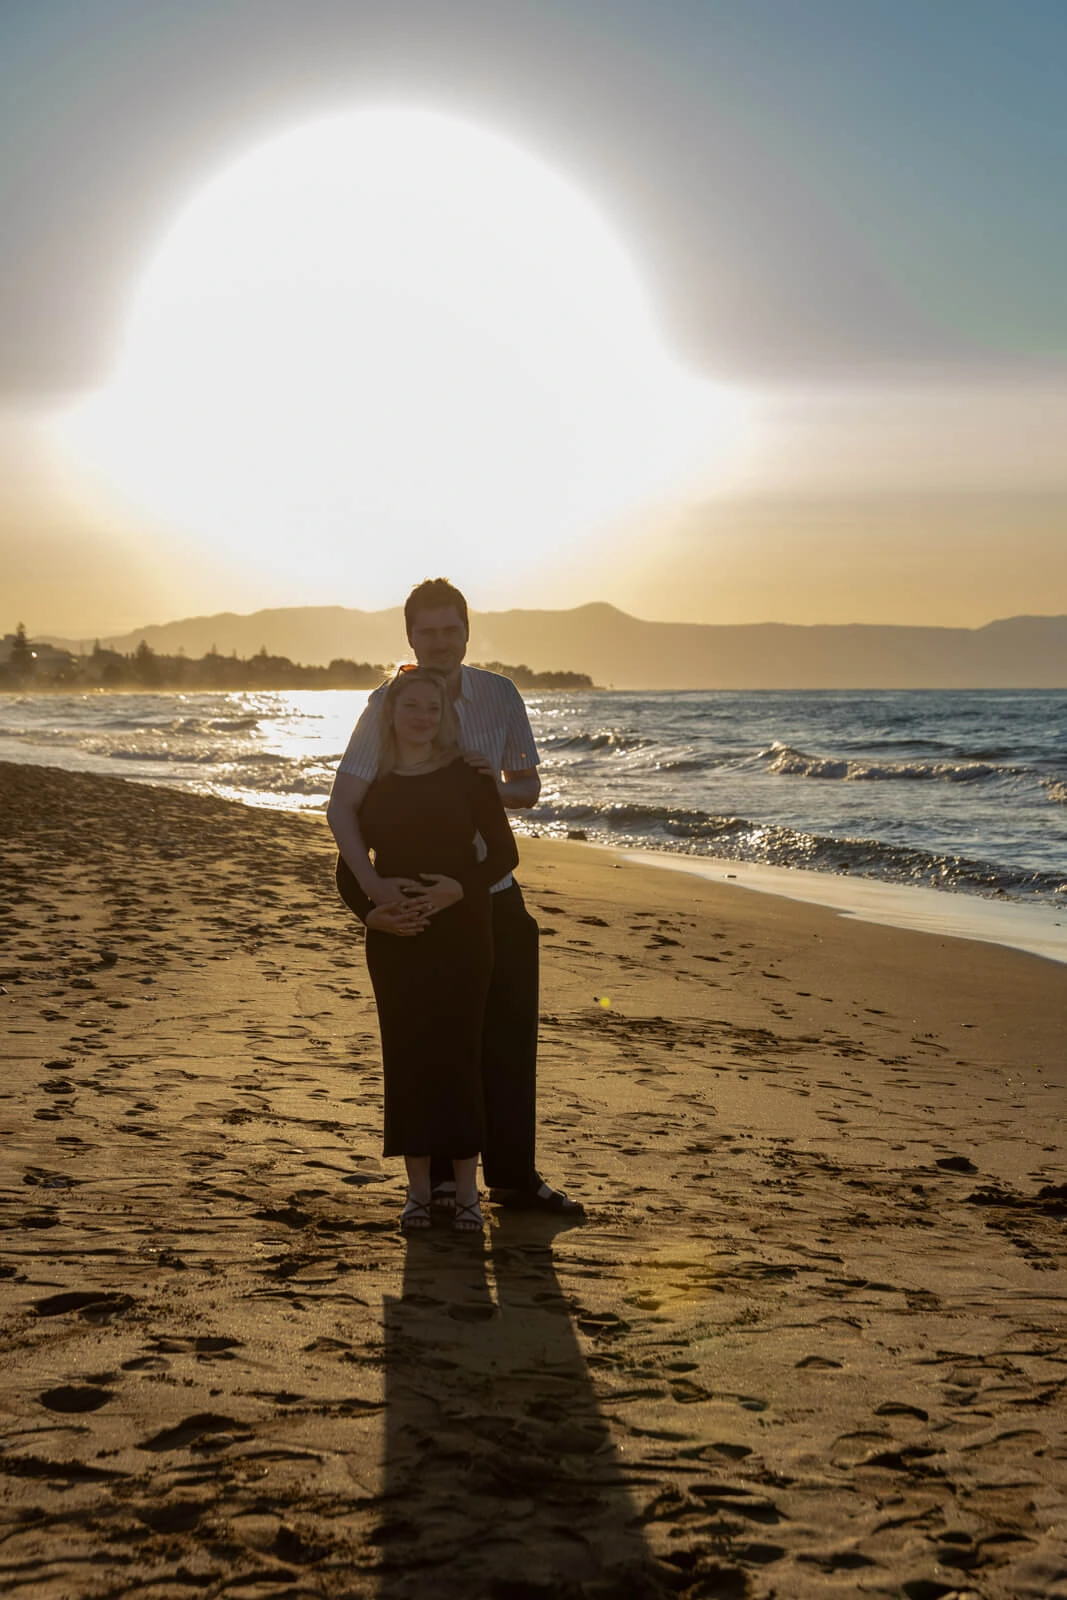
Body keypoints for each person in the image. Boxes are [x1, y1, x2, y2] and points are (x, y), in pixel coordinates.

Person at [328, 577, 582, 1215]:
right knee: (434, 1041)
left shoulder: (499, 696)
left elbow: (527, 787)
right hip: (420, 897)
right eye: (427, 631)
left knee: (505, 1038)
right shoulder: (389, 703)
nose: (440, 642)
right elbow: (347, 803)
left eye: (451, 630)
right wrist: (370, 895)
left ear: (468, 632)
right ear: (410, 636)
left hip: (490, 890)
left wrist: (474, 784)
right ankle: (440, 1183)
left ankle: (515, 1178)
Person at [337, 666, 519, 1233]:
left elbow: (505, 855)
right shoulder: (377, 783)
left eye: (434, 709)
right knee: (407, 1058)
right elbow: (349, 866)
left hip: (464, 929)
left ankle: (466, 1192)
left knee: (461, 1056)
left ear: (447, 718)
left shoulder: (467, 775)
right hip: (395, 939)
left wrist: (457, 889)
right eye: (412, 706)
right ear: (391, 713)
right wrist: (373, 913)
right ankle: (418, 1191)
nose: (423, 717)